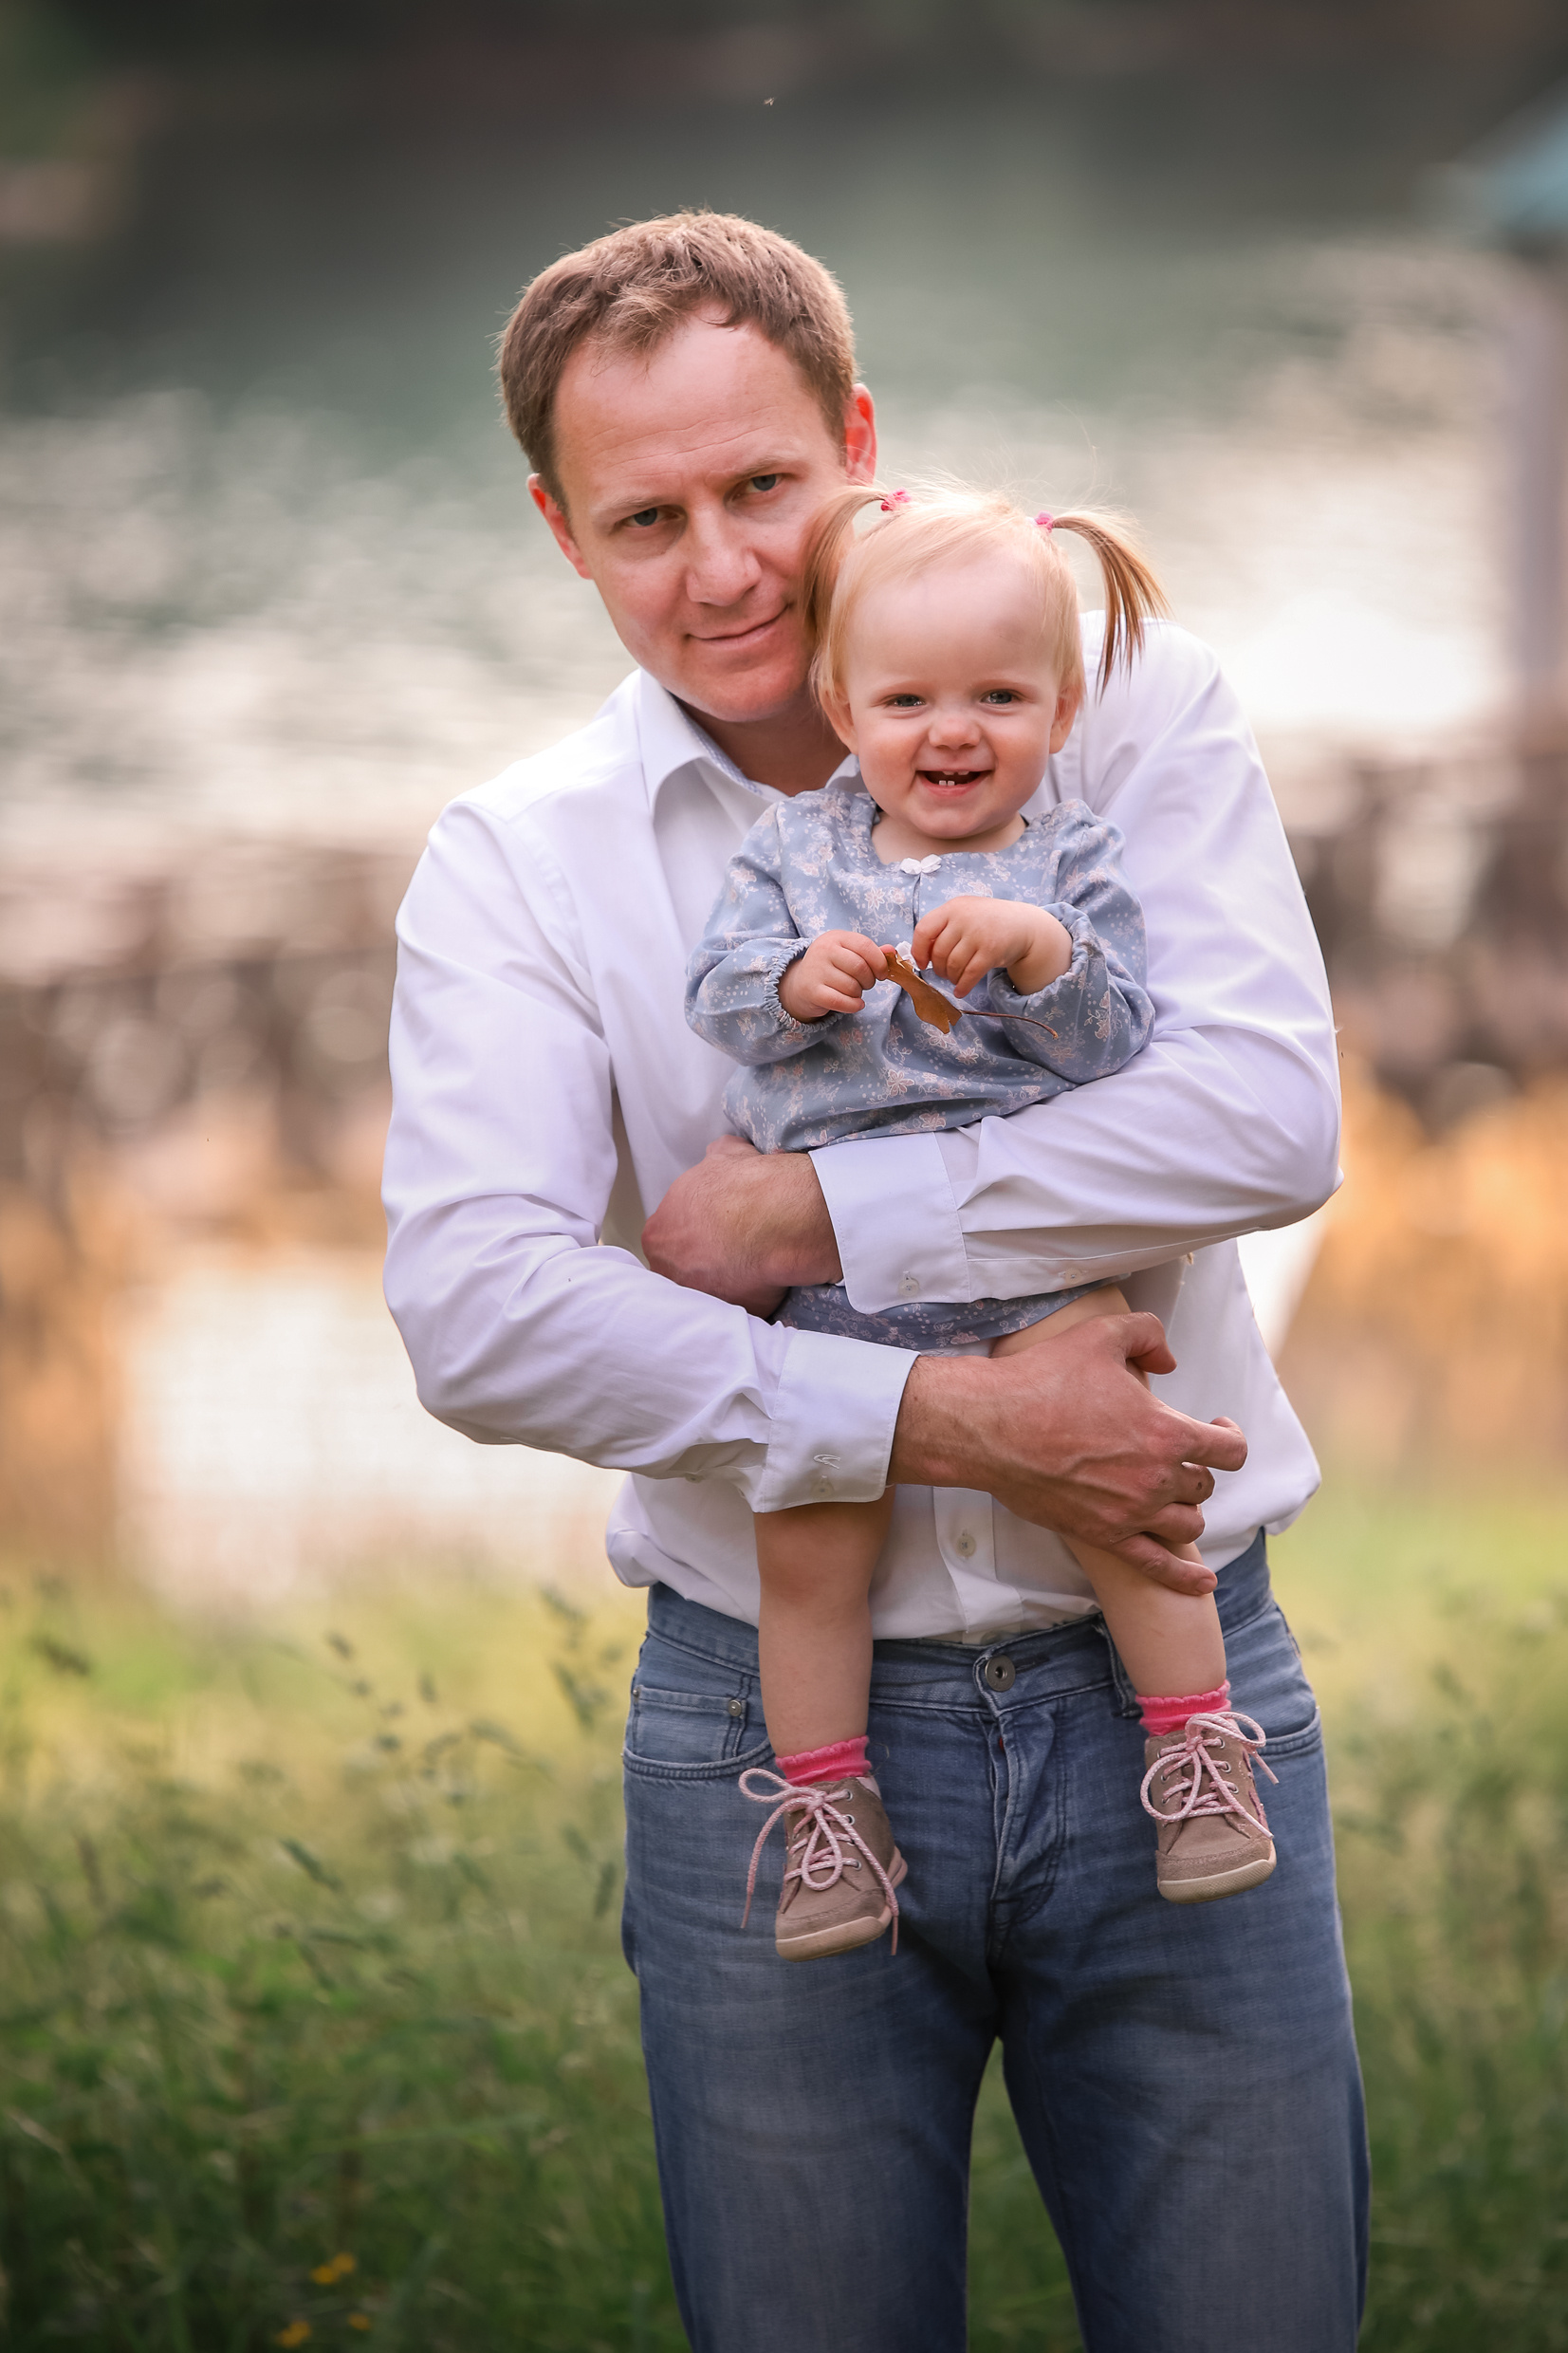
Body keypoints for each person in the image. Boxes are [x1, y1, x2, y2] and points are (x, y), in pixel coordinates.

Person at [382, 211, 1367, 2352]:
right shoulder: (520, 856)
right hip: (763, 1707)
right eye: (644, 518)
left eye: (760, 486)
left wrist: (813, 1225)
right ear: (560, 532)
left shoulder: (1100, 700)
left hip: (1173, 1681)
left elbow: (1263, 1121)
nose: (721, 566)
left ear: (856, 434)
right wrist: (936, 1415)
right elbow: (480, 1304)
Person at [686, 482, 1274, 1960]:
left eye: (997, 697)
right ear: (839, 703)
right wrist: (791, 984)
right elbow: (719, 999)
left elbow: (1116, 1041)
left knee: (1130, 1494)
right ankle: (827, 1809)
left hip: (1035, 1261)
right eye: (906, 698)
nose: (952, 732)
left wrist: (1037, 954)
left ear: (1061, 707)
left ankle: (1196, 1751)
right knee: (806, 1544)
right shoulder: (787, 855)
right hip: (835, 1297)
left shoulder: (1066, 862)